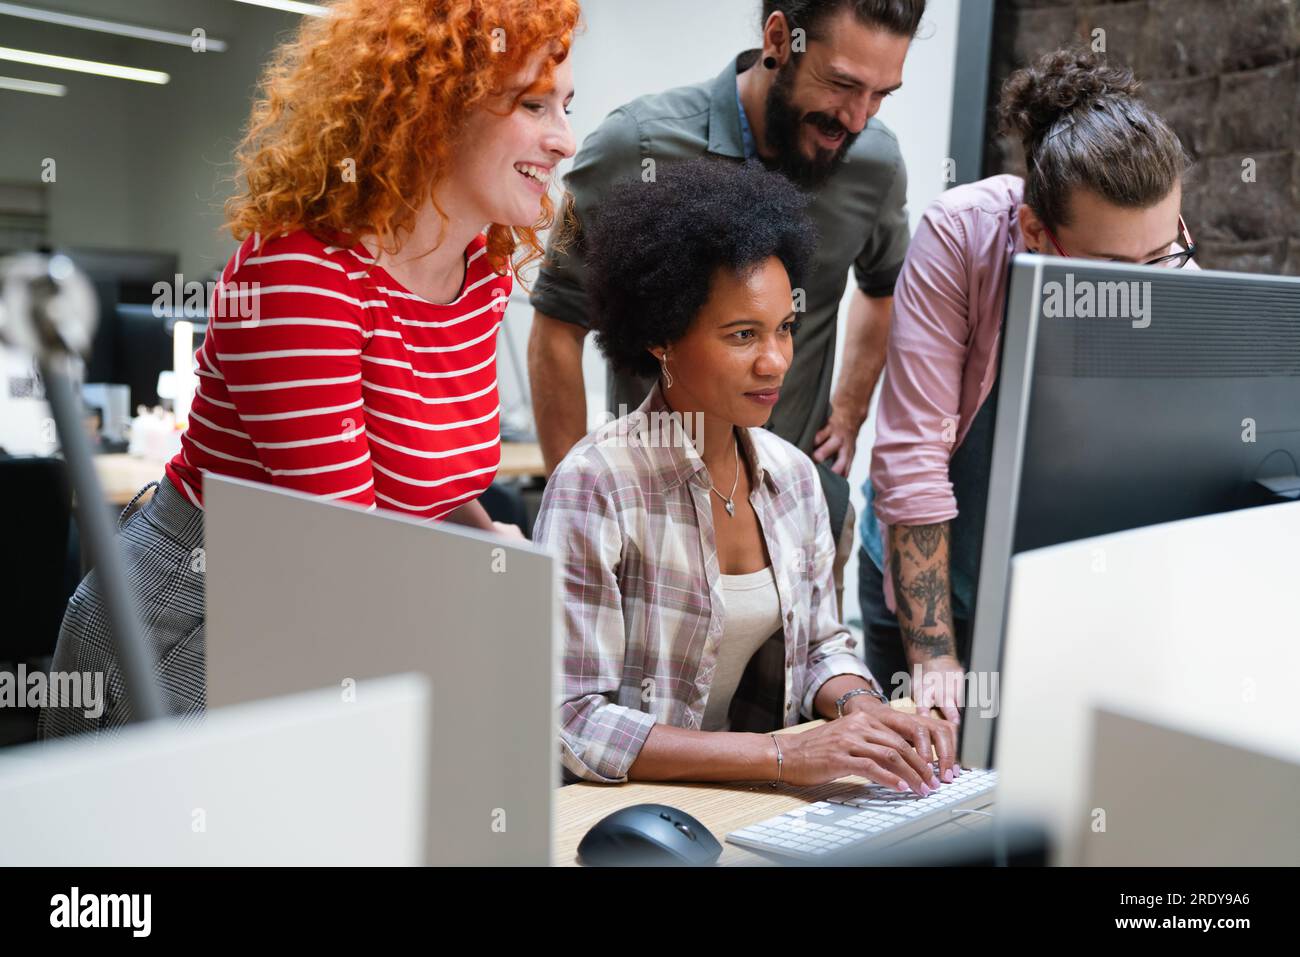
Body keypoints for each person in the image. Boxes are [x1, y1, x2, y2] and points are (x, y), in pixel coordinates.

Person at [40, 0, 581, 737]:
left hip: (327, 619)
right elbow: (344, 556)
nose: (565, 140)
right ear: (435, 108)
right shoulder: (301, 273)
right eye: (535, 104)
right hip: (192, 618)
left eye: (566, 106)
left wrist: (493, 544)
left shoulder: (476, 269)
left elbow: (422, 495)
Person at [535, 159, 958, 789]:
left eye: (785, 329)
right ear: (661, 337)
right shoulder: (598, 485)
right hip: (626, 820)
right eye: (742, 335)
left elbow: (820, 648)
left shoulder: (793, 477)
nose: (775, 361)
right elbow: (574, 718)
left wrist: (862, 714)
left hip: (752, 801)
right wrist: (786, 757)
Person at [528, 0, 927, 597]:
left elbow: (882, 287)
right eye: (842, 84)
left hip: (801, 515)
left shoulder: (875, 163)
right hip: (648, 524)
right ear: (778, 38)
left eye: (880, 95)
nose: (858, 117)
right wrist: (580, 510)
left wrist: (848, 410)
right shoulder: (633, 147)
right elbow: (558, 324)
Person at [860, 48, 1199, 720]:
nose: (1145, 290)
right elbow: (913, 458)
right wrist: (932, 658)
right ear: (1035, 232)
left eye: (1160, 258)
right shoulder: (962, 234)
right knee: (927, 801)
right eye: (1111, 269)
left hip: (1056, 597)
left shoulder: (1168, 259)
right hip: (933, 589)